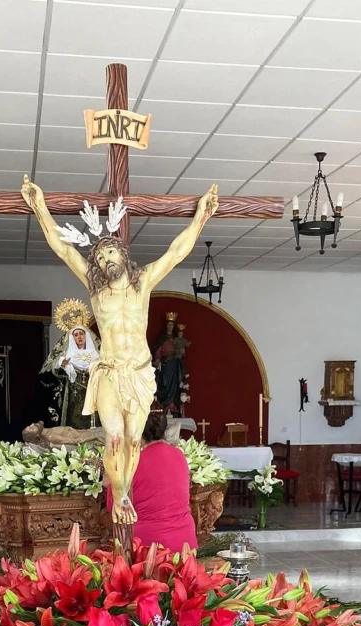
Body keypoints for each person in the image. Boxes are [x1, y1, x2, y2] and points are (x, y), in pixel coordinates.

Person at [21, 175, 218, 525]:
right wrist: (39, 207)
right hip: (110, 370)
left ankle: (125, 489)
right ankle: (122, 495)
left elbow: (176, 252)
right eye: (98, 257)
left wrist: (201, 215)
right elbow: (64, 249)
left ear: (122, 253)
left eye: (108, 252)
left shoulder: (143, 283)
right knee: (113, 436)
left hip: (140, 372)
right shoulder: (96, 292)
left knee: (132, 439)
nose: (102, 260)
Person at [106, 408, 197, 552]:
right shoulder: (179, 455)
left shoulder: (132, 463)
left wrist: (110, 479)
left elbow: (115, 507)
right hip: (184, 542)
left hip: (148, 546)